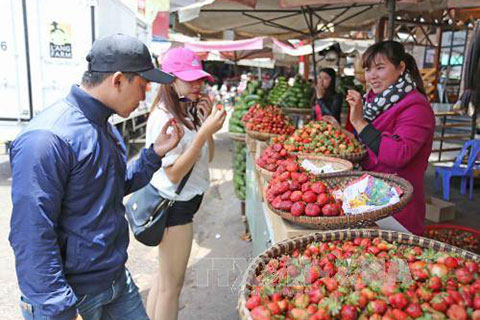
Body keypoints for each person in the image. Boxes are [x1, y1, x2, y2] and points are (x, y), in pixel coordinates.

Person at [9, 34, 184, 320]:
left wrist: (154, 154)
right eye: (142, 85)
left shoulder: (103, 125)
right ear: (117, 80)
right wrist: (60, 308)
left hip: (114, 280)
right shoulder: (47, 138)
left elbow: (112, 187)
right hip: (72, 296)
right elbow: (31, 234)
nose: (145, 96)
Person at [145, 48, 226, 320]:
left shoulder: (184, 110)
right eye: (189, 79)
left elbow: (208, 157)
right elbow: (173, 174)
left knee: (163, 279)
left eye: (199, 79)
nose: (197, 85)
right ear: (170, 79)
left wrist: (203, 124)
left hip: (181, 205)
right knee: (172, 287)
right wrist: (203, 132)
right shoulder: (163, 115)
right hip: (173, 207)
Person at [346, 40, 435, 235]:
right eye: (368, 69)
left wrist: (360, 123)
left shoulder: (415, 106)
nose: (372, 76)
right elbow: (366, 144)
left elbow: (398, 155)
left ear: (400, 67)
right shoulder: (374, 101)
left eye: (380, 68)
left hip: (396, 207)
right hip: (367, 199)